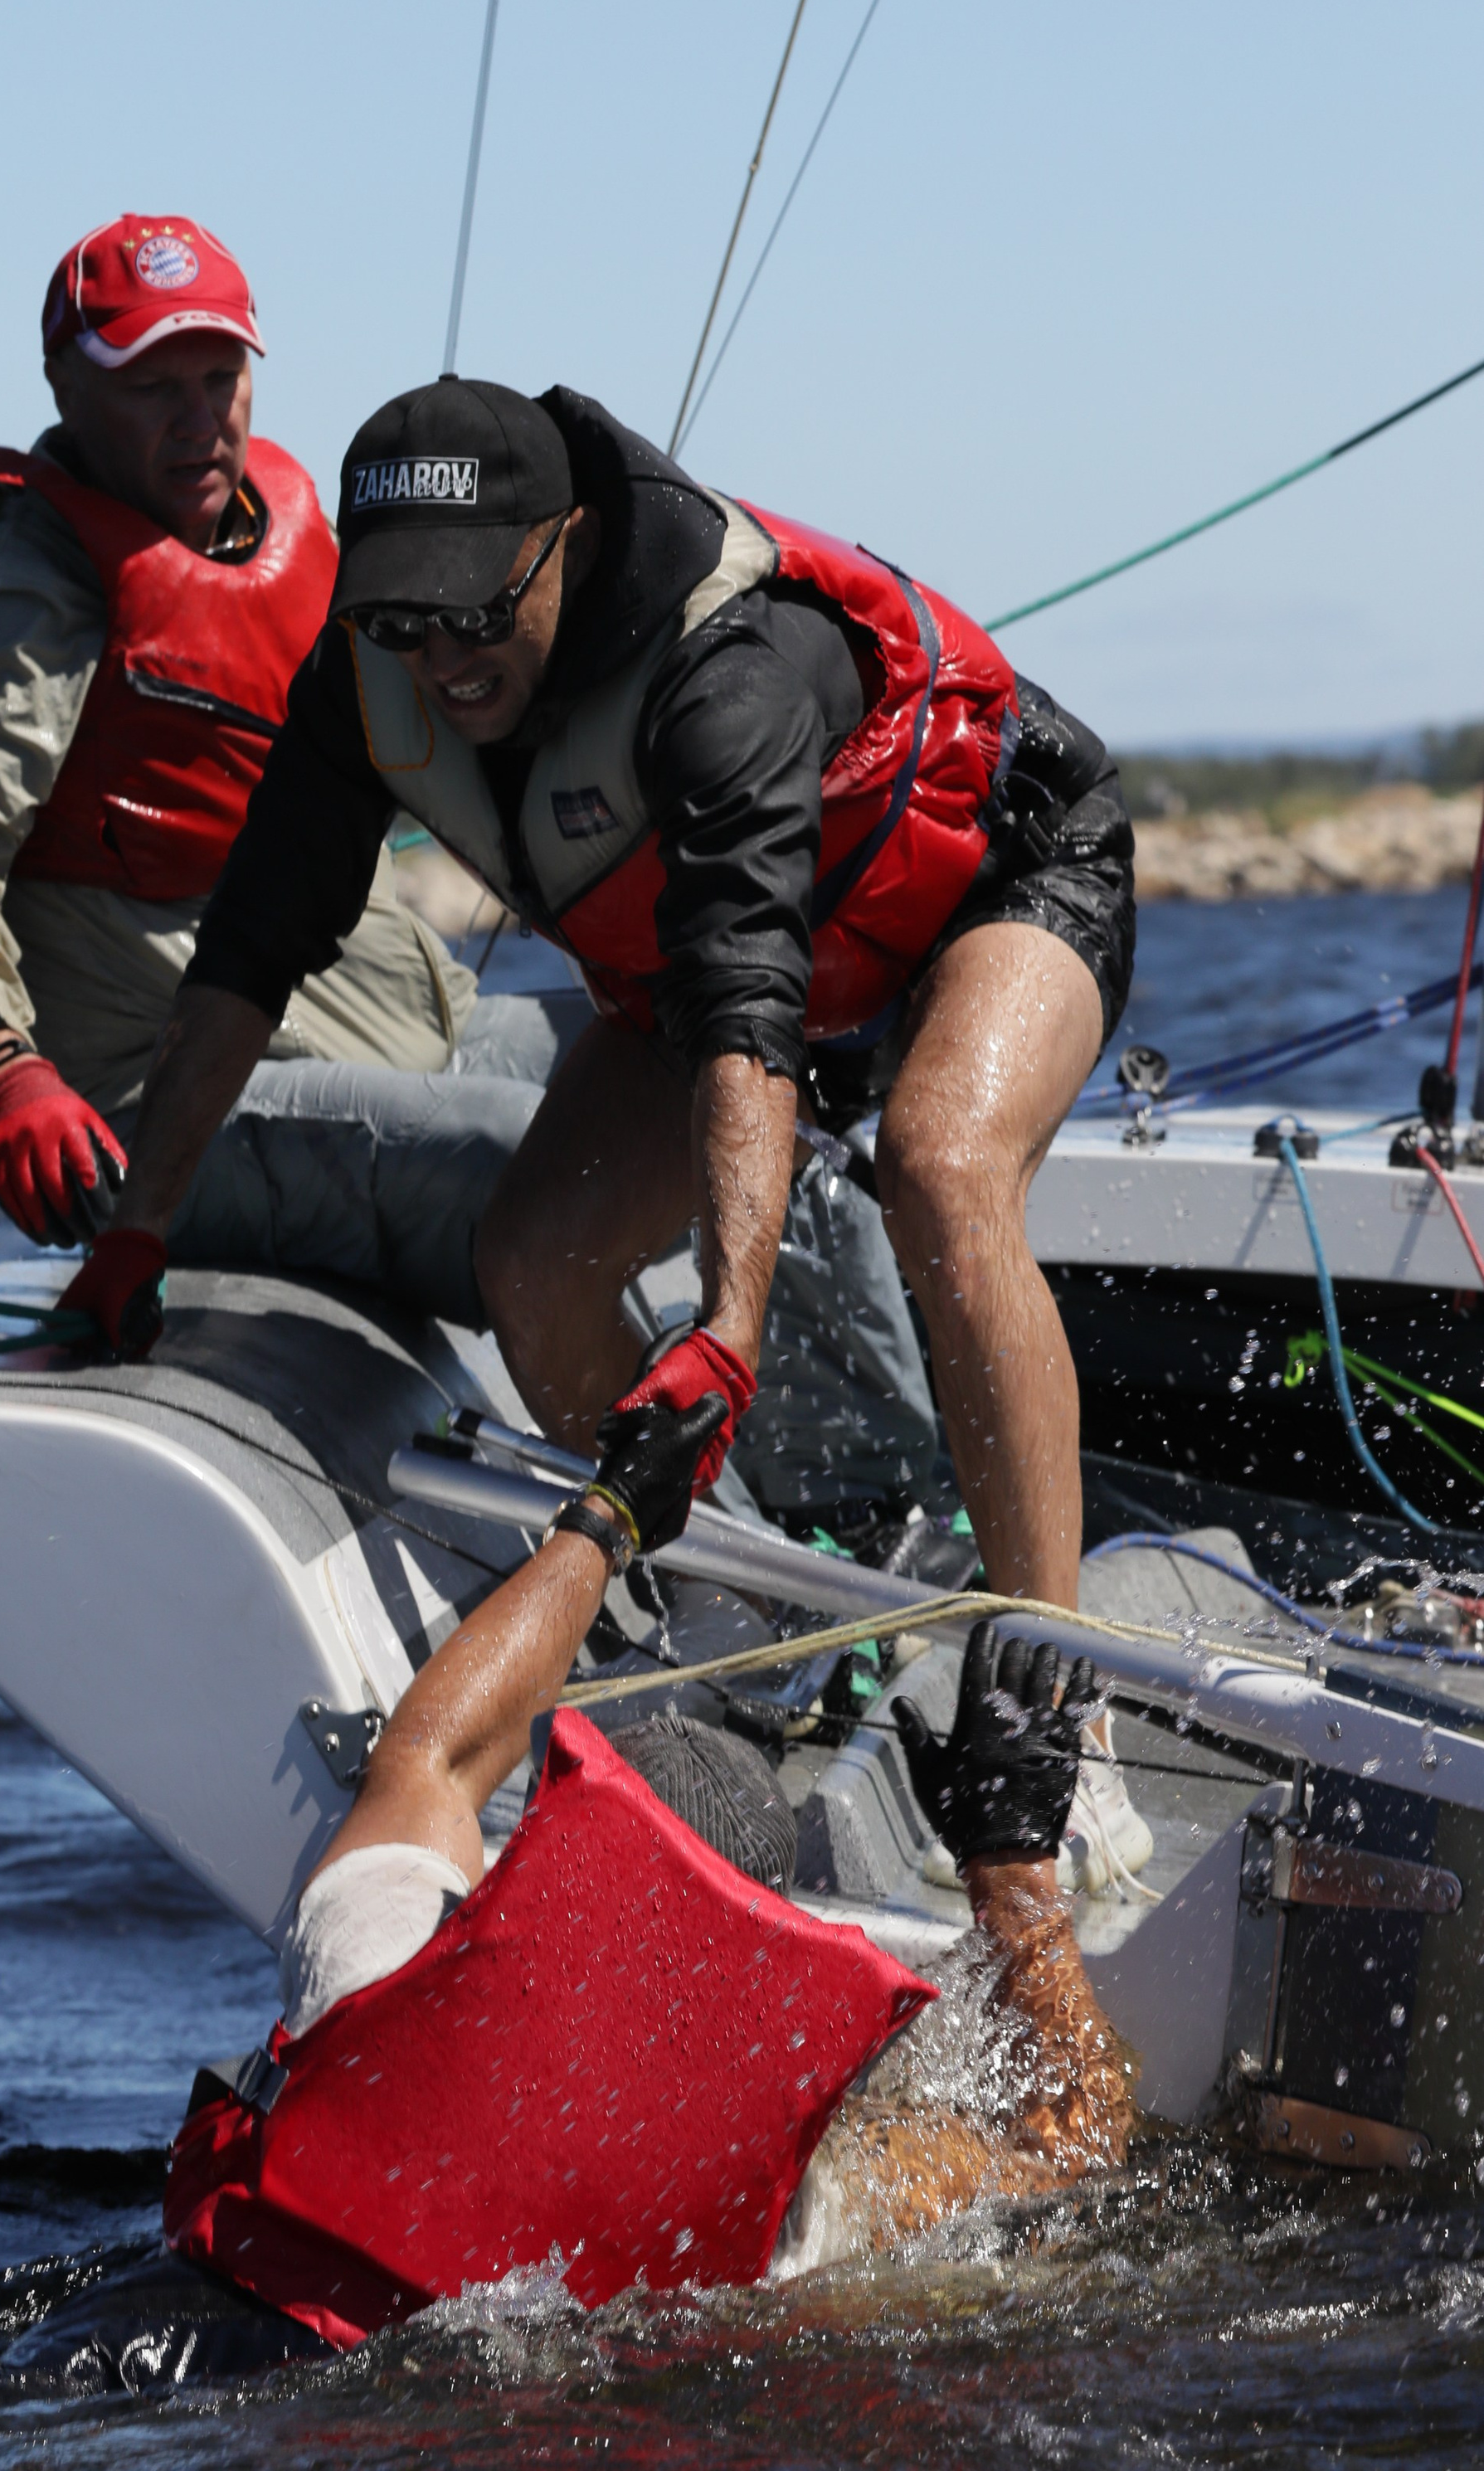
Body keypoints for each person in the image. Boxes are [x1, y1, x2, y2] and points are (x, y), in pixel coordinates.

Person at [68, 377, 1149, 1881]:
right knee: (532, 1260)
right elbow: (247, 962)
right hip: (720, 978)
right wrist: (136, 1228)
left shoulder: (730, 668)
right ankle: (720, 1623)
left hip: (995, 883)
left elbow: (749, 1009)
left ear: (565, 545)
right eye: (400, 621)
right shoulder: (369, 680)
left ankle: (1057, 1711)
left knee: (938, 1165)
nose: (439, 661)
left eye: (471, 615)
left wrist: (725, 1328)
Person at [163, 1390, 1132, 2344]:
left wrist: (609, 1513)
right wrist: (1013, 1874)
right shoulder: (797, 2203)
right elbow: (1081, 2156)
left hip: (207, 2332)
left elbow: (431, 1751)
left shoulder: (378, 1962)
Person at [0, 222, 571, 1325]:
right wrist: (3, 1070)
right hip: (174, 1113)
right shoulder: (15, 602)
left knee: (692, 1070)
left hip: (411, 1029)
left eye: (221, 378)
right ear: (65, 385)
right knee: (551, 1164)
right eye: (155, 390)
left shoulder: (300, 541)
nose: (201, 422)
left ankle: (889, 1494)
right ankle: (667, 1475)